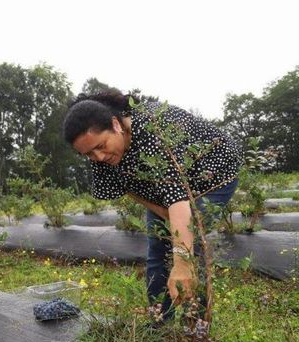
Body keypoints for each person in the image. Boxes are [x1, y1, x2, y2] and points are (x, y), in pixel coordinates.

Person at [63, 91, 242, 319]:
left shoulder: (152, 128)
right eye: (88, 154)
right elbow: (126, 187)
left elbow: (178, 201)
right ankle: (160, 323)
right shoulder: (101, 155)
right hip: (167, 189)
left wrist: (182, 262)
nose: (98, 157)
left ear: (116, 124)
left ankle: (196, 331)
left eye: (100, 146)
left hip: (213, 176)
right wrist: (161, 211)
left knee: (190, 248)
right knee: (158, 250)